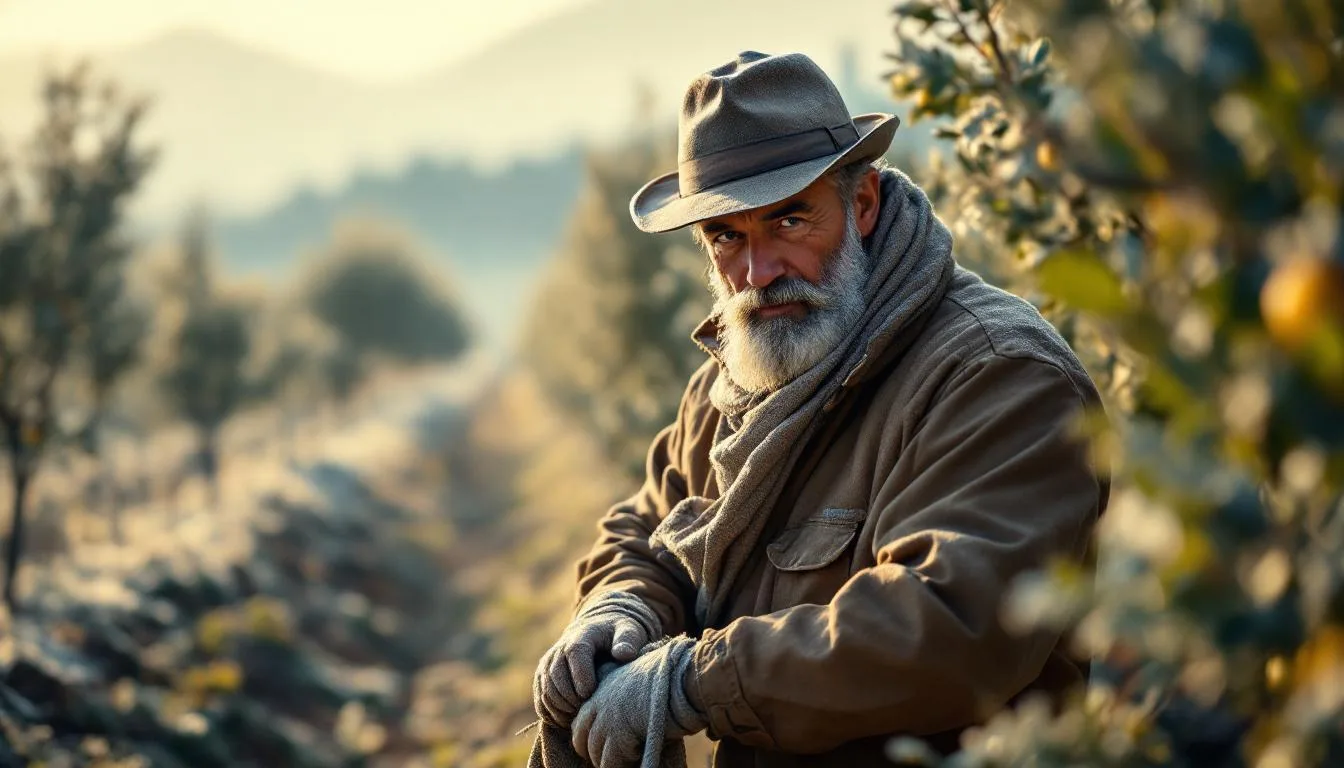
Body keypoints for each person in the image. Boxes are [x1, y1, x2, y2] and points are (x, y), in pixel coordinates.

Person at [529, 50, 1109, 768]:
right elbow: (653, 521)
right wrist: (622, 608)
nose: (758, 273)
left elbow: (951, 633)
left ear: (861, 203)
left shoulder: (997, 375)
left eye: (790, 221)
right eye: (727, 238)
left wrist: (694, 682)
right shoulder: (747, 370)